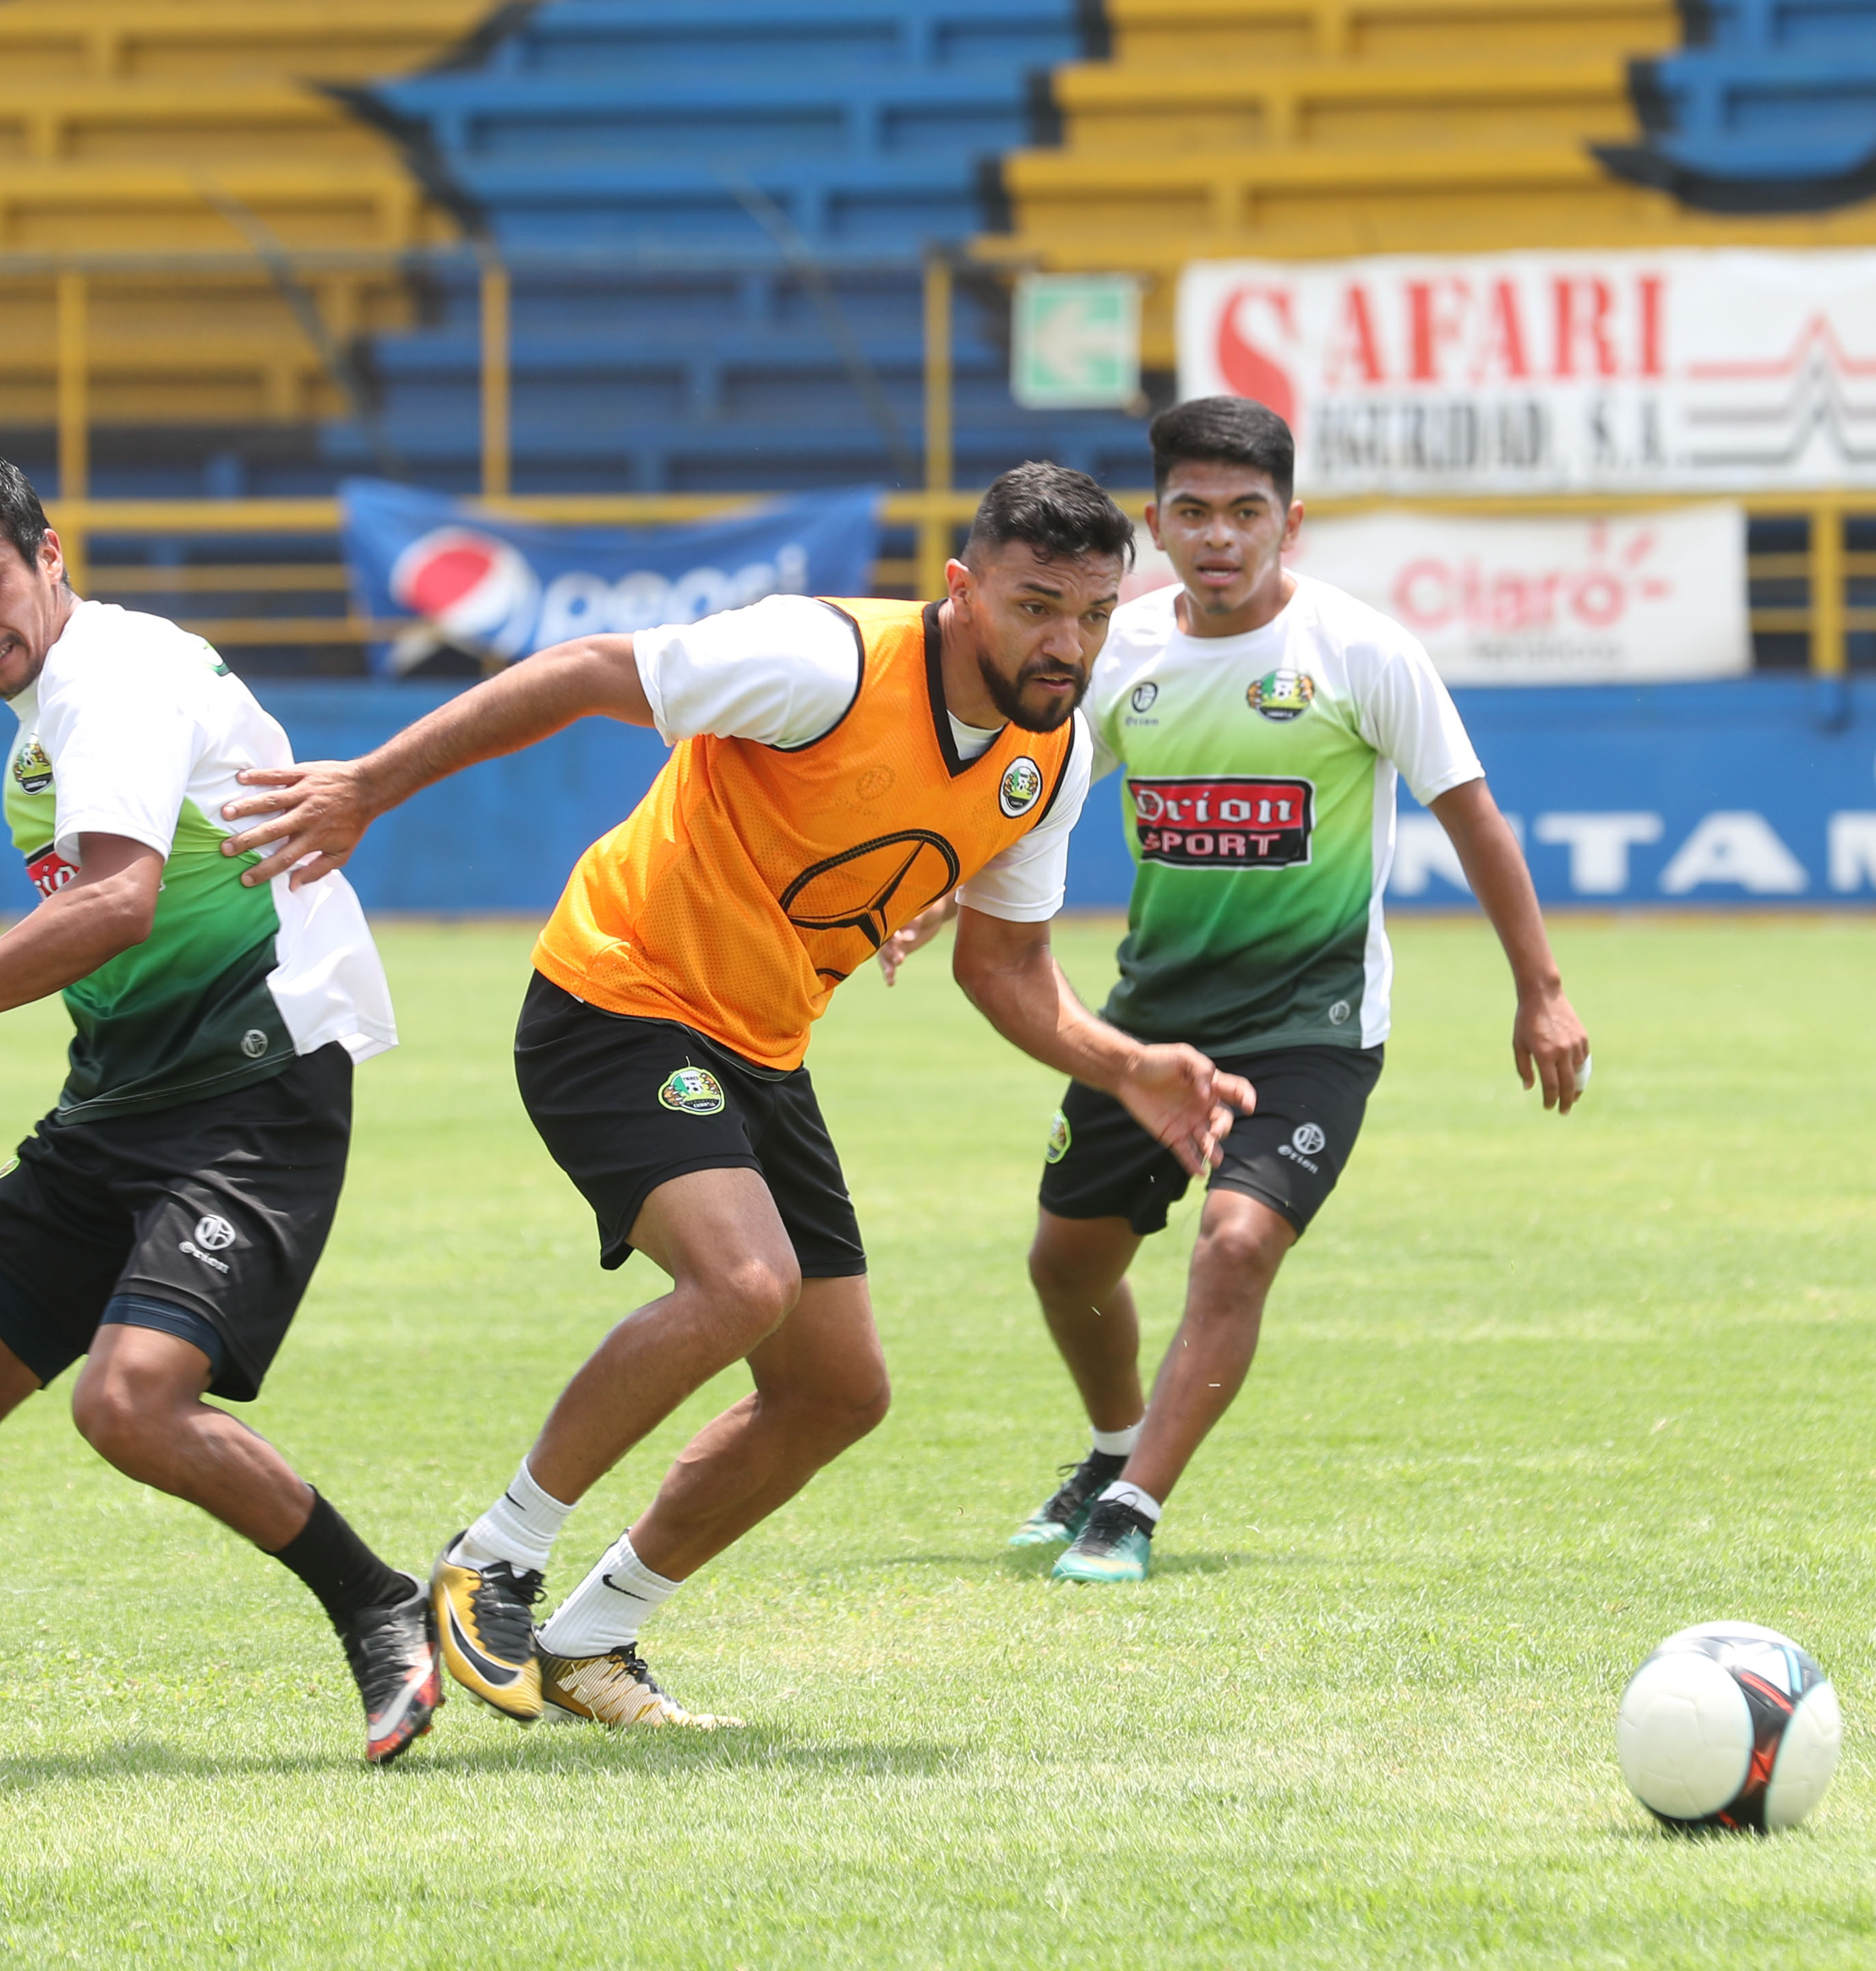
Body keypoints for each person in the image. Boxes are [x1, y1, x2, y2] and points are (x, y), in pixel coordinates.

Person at [217, 463, 1250, 1729]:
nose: (1068, 641)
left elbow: (1007, 966)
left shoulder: (1054, 749)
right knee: (743, 1281)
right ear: (962, 588)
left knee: (836, 1390)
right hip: (615, 998)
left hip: (759, 1044)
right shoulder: (820, 661)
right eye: (1039, 606)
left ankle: (593, 1638)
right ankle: (493, 1554)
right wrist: (368, 786)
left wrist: (1126, 1062)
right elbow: (592, 668)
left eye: (1095, 613)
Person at [0, 449, 435, 1771]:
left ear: (49, 553)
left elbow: (118, 901)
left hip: (256, 1080)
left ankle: (381, 1605)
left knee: (128, 1402)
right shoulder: (53, 698)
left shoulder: (116, 679)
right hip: (126, 1095)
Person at [882, 398, 1590, 1586]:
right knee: (1064, 1263)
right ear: (1155, 525)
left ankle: (1132, 1506)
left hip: (1308, 1024)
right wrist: (944, 889)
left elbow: (1470, 814)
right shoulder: (1117, 653)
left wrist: (1543, 991)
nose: (1220, 537)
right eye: (1194, 513)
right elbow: (1028, 783)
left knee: (1235, 1241)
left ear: (1290, 524)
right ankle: (1111, 1446)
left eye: (1247, 513)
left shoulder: (1362, 652)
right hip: (1145, 1021)